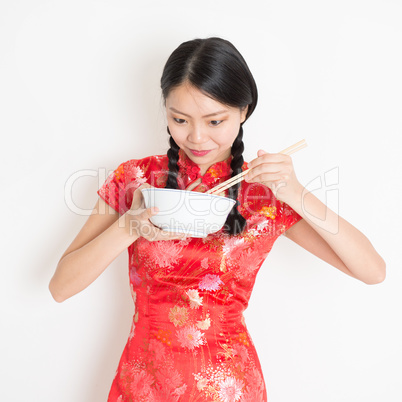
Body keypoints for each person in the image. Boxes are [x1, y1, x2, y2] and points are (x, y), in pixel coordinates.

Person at [49, 37, 386, 402]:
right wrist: (128, 226)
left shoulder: (262, 194)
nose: (196, 137)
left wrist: (296, 193)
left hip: (230, 387)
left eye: (215, 120)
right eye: (179, 119)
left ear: (243, 111)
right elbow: (60, 287)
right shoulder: (136, 178)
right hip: (143, 384)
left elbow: (372, 271)